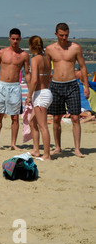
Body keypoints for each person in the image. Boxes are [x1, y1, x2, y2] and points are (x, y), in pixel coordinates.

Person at [45, 23, 90, 158]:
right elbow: (46, 70)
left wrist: (86, 86)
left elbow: (82, 67)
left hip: (72, 85)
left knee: (75, 117)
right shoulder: (50, 49)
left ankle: (77, 149)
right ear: (56, 35)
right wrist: (44, 87)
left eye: (66, 35)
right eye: (61, 35)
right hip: (55, 86)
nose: (64, 38)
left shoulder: (75, 48)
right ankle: (58, 147)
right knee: (56, 118)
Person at [0, 28, 30, 150]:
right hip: (1, 85)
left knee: (15, 117)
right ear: (9, 38)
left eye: (17, 39)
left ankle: (13, 144)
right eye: (13, 39)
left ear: (20, 39)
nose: (15, 41)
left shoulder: (24, 55)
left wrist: (30, 92)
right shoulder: (2, 52)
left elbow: (27, 73)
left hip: (15, 86)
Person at [25, 36, 52, 160]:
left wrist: (29, 95)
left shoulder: (35, 60)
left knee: (43, 126)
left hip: (40, 95)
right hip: (45, 92)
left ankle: (46, 155)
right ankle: (36, 150)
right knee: (32, 122)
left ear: (31, 46)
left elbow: (34, 80)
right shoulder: (47, 59)